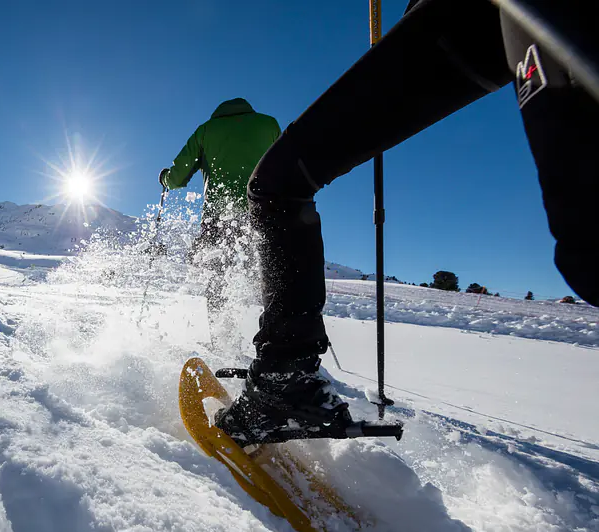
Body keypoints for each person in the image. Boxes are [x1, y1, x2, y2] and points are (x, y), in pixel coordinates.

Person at [215, 0, 599, 443]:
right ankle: (284, 379)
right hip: (456, 20)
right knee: (277, 183)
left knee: (587, 250)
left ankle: (284, 380)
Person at [159, 98, 281, 336]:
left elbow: (176, 178)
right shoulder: (269, 125)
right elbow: (287, 165)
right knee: (271, 275)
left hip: (219, 218)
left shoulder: (206, 130)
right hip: (263, 212)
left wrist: (165, 178)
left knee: (218, 278)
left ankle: (222, 339)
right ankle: (278, 344)